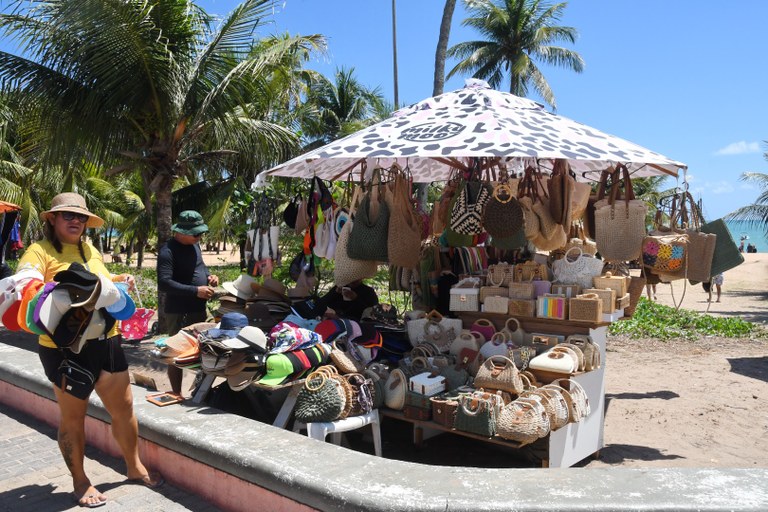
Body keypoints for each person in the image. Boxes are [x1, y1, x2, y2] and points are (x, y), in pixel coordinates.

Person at [18, 192, 162, 508]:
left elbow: (103, 282)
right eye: (68, 215)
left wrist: (118, 280)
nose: (75, 221)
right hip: (64, 349)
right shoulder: (38, 252)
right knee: (73, 418)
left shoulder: (91, 249)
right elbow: (25, 289)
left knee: (124, 409)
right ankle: (80, 481)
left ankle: (134, 465)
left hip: (107, 340)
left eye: (80, 217)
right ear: (52, 219)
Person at [157, 210, 218, 395]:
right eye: (196, 234)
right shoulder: (168, 251)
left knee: (203, 350)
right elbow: (164, 283)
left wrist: (209, 277)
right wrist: (195, 291)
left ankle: (199, 392)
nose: (199, 237)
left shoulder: (195, 246)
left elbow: (200, 266)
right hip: (178, 310)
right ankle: (177, 393)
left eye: (201, 233)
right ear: (181, 232)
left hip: (198, 308)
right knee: (176, 352)